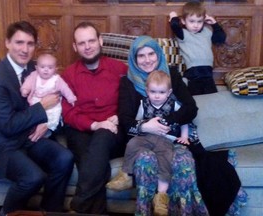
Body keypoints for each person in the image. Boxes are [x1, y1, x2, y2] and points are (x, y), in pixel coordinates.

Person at [117, 35, 246, 216]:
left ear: (158, 54)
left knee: (187, 162)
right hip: (143, 139)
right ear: (133, 58)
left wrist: (167, 122)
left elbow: (190, 108)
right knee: (145, 160)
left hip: (174, 135)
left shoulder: (172, 75)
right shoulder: (128, 82)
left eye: (151, 53)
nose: (147, 60)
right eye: (141, 55)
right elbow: (125, 120)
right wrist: (146, 126)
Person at [0, 21, 74, 216]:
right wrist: (41, 109)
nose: (25, 49)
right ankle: (7, 213)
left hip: (27, 137)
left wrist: (44, 121)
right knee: (33, 177)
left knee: (65, 158)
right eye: (19, 43)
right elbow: (7, 125)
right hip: (3, 144)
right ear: (7, 43)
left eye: (30, 44)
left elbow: (51, 96)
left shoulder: (35, 68)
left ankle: (49, 211)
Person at [107, 70, 196, 215]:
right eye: (153, 91)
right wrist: (141, 127)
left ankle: (161, 195)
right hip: (147, 137)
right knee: (132, 144)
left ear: (168, 92)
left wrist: (185, 137)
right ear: (147, 90)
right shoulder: (144, 104)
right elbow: (137, 121)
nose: (156, 96)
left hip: (165, 139)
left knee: (165, 159)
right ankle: (126, 175)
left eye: (161, 92)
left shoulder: (173, 104)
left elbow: (185, 120)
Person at [61, 21, 128, 214]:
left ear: (100, 41)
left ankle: (78, 206)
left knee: (102, 136)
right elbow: (68, 114)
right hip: (81, 130)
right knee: (90, 162)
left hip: (113, 131)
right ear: (75, 47)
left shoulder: (119, 69)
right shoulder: (68, 75)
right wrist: (94, 124)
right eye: (82, 43)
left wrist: (118, 116)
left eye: (91, 40)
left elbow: (132, 100)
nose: (87, 46)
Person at [169, 1, 226, 96]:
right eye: (192, 21)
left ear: (204, 20)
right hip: (193, 71)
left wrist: (214, 24)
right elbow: (174, 26)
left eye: (199, 21)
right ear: (183, 21)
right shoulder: (184, 34)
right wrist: (174, 17)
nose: (196, 25)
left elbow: (220, 39)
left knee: (212, 95)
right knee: (195, 95)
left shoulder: (206, 32)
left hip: (208, 70)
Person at [21, 53, 77, 137]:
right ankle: (34, 129)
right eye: (42, 67)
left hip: (52, 105)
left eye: (50, 67)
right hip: (36, 102)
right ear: (36, 68)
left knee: (51, 117)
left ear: (55, 69)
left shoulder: (56, 80)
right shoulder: (34, 76)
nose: (46, 70)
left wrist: (71, 98)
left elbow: (65, 89)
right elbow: (27, 83)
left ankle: (48, 130)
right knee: (33, 116)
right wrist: (24, 89)